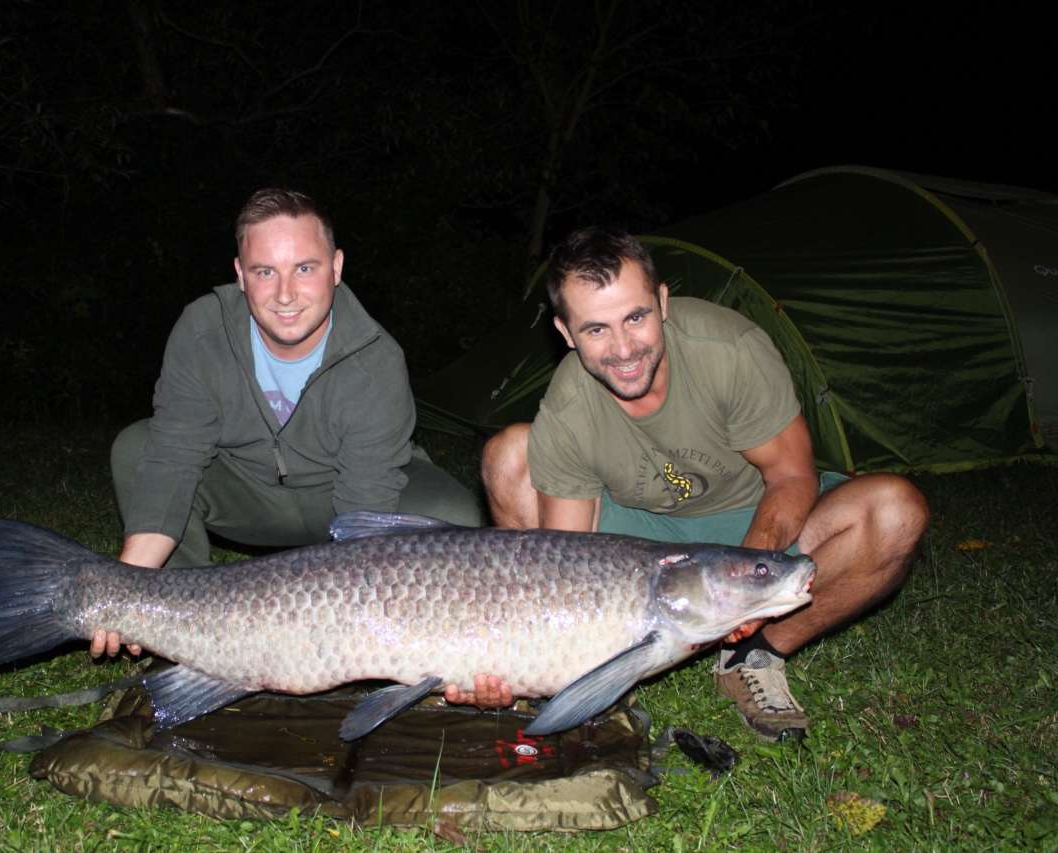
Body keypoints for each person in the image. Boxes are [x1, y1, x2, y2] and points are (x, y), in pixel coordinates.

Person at [472, 226, 929, 740]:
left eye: (636, 317)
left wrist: (747, 583)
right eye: (596, 329)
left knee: (895, 511)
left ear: (663, 302)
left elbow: (790, 476)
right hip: (638, 540)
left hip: (756, 519)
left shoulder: (728, 349)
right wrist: (510, 661)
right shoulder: (568, 407)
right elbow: (564, 563)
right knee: (509, 455)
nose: (623, 349)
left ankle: (754, 654)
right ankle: (589, 666)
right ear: (566, 332)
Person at [93, 188, 483, 658]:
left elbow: (364, 522)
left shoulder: (375, 360)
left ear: (336, 267)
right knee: (139, 448)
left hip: (343, 499)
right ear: (240, 275)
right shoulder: (202, 331)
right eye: (265, 271)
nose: (284, 294)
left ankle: (406, 645)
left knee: (452, 516)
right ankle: (180, 628)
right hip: (248, 492)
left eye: (304, 269)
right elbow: (173, 461)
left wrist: (317, 635)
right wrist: (125, 590)